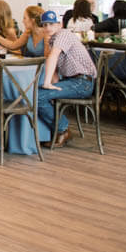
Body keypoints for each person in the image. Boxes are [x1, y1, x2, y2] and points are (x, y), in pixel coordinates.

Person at [37, 10, 97, 148]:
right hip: (73, 81)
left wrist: (47, 84)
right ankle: (55, 131)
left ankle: (63, 130)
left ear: (60, 24)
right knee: (39, 94)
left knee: (39, 96)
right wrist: (52, 87)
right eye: (45, 25)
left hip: (82, 83)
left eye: (51, 24)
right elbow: (55, 71)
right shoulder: (53, 40)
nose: (48, 27)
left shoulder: (63, 35)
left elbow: (53, 57)